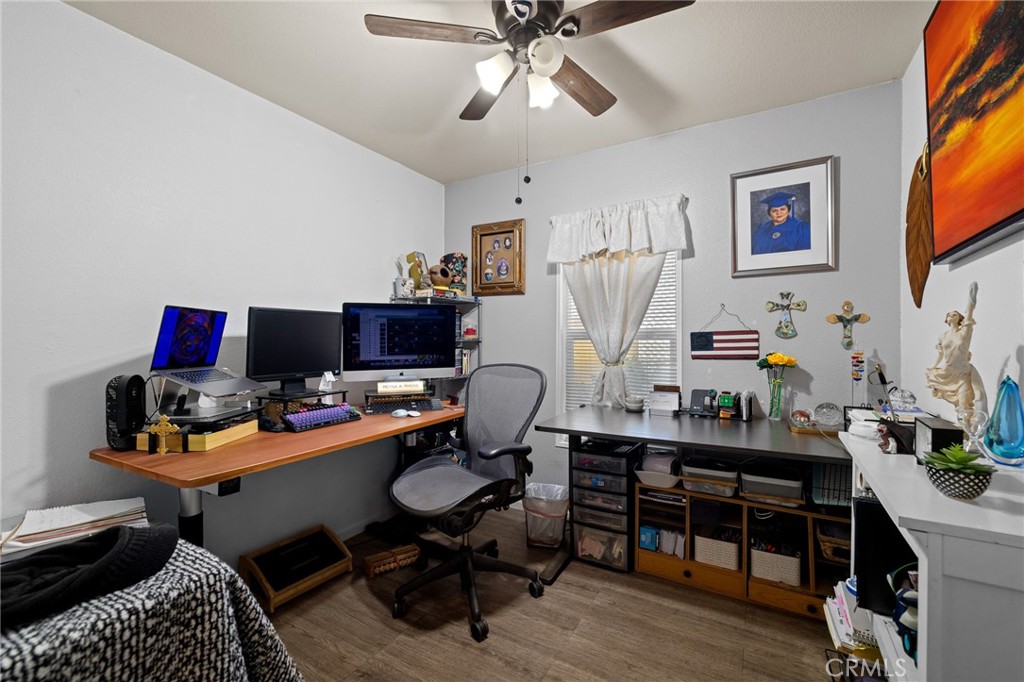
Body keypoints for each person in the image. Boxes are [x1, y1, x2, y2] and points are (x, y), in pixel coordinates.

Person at [925, 282, 986, 412]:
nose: (952, 316)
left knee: (964, 403)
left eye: (955, 314)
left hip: (962, 372)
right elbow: (941, 354)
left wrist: (971, 299)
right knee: (958, 405)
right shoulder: (943, 336)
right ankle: (964, 423)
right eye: (949, 315)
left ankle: (967, 424)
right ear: (946, 320)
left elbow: (969, 314)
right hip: (947, 372)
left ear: (959, 319)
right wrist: (934, 365)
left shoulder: (964, 333)